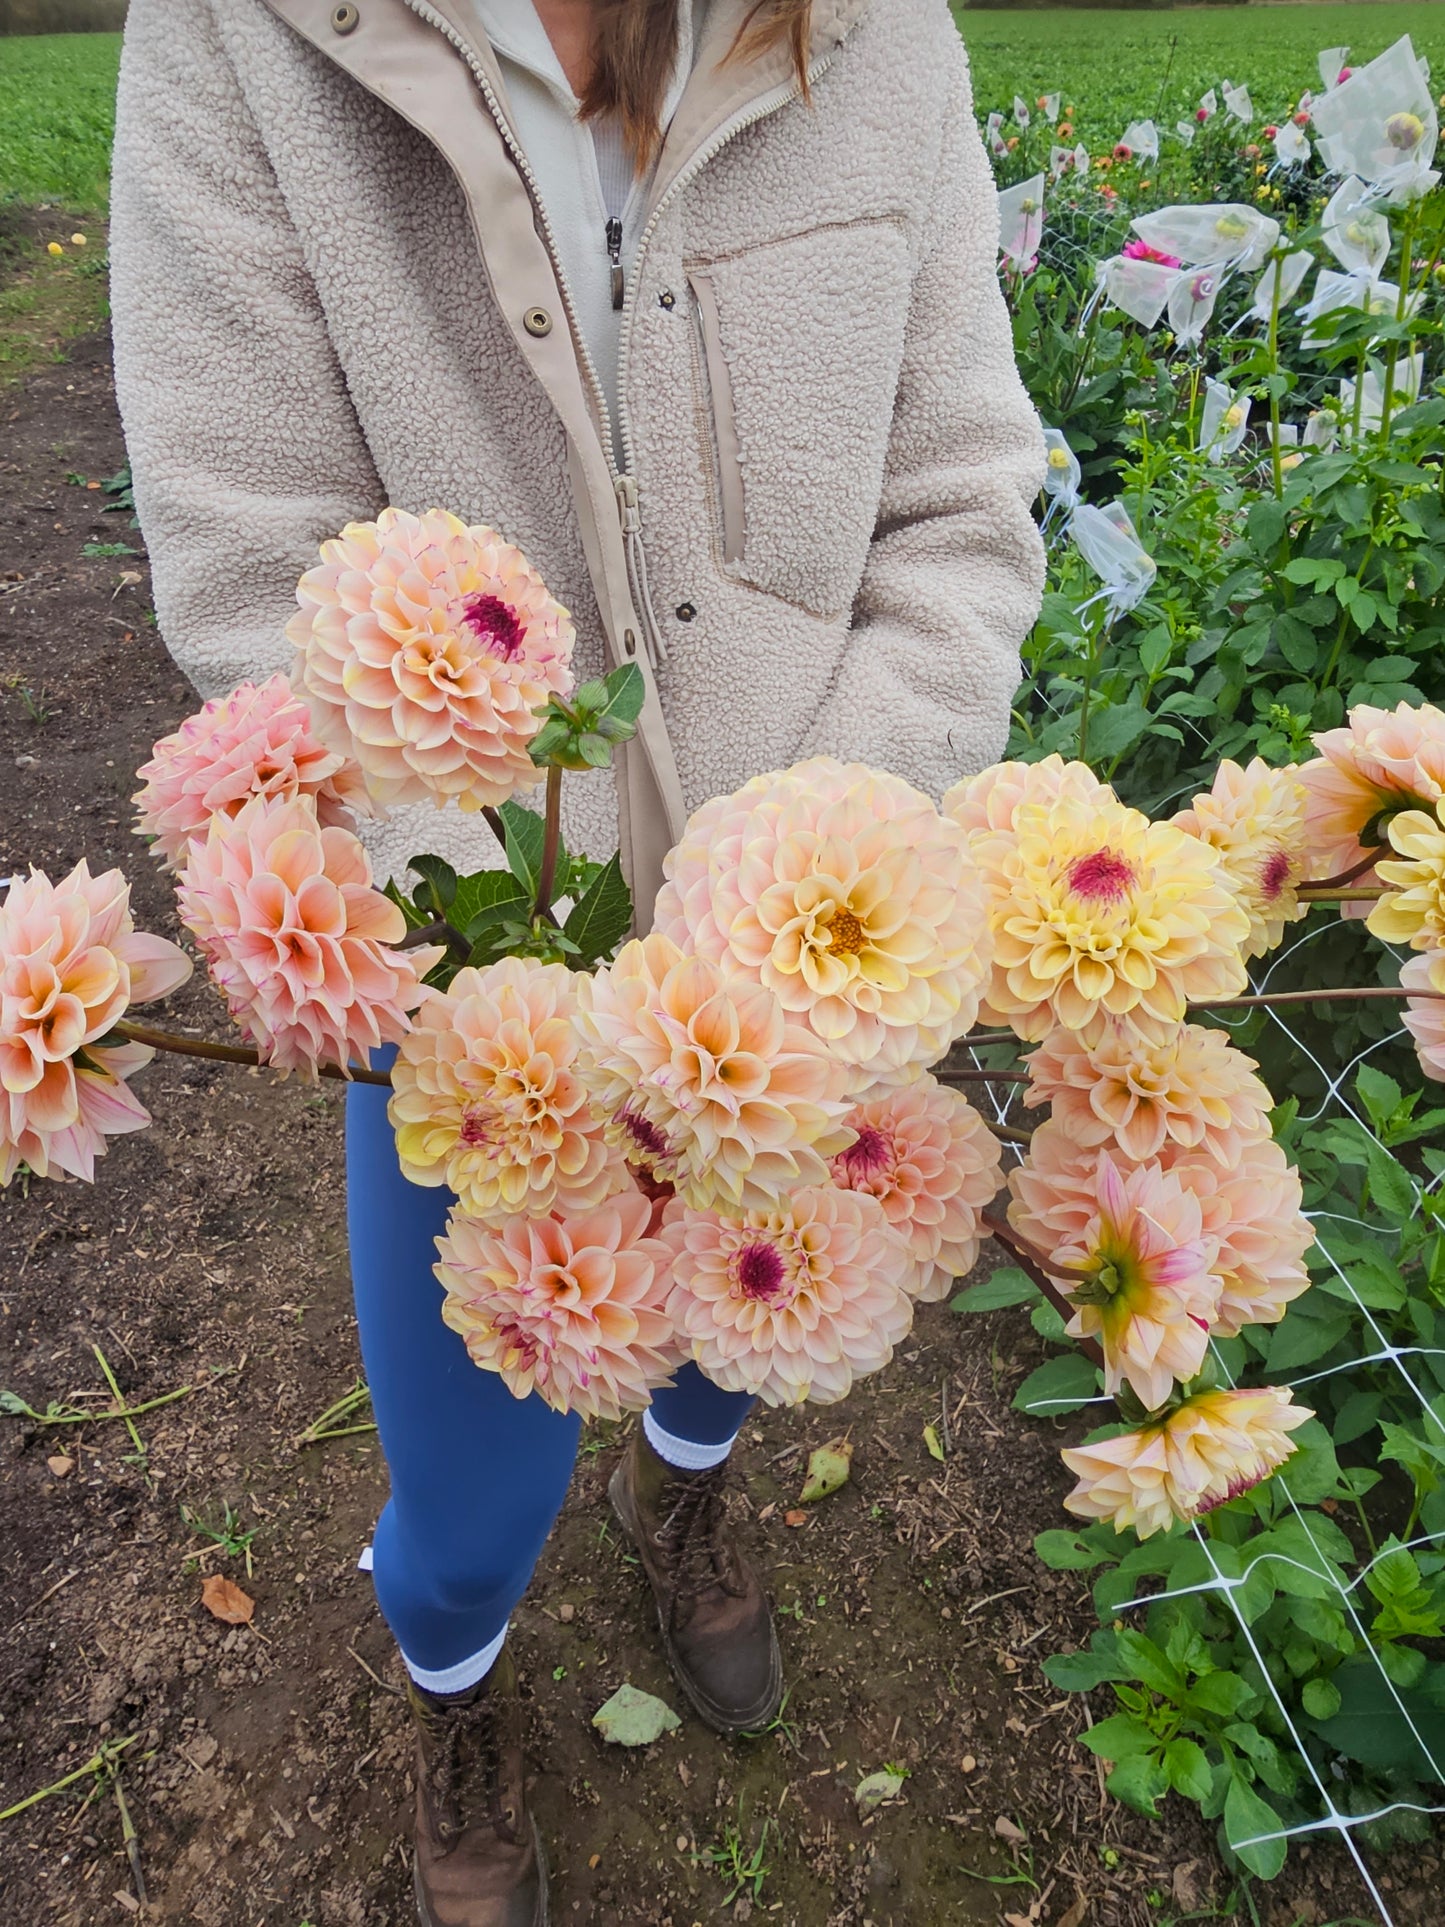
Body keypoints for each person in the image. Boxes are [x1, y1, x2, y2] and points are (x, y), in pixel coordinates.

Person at [110, 0, 1045, 1916]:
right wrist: (522, 974)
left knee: (745, 1319)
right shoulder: (235, 39)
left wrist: (791, 918)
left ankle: (680, 1479)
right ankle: (450, 1675)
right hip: (482, 1032)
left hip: (805, 976)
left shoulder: (878, 36)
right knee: (464, 1511)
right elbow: (247, 555)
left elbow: (958, 506)